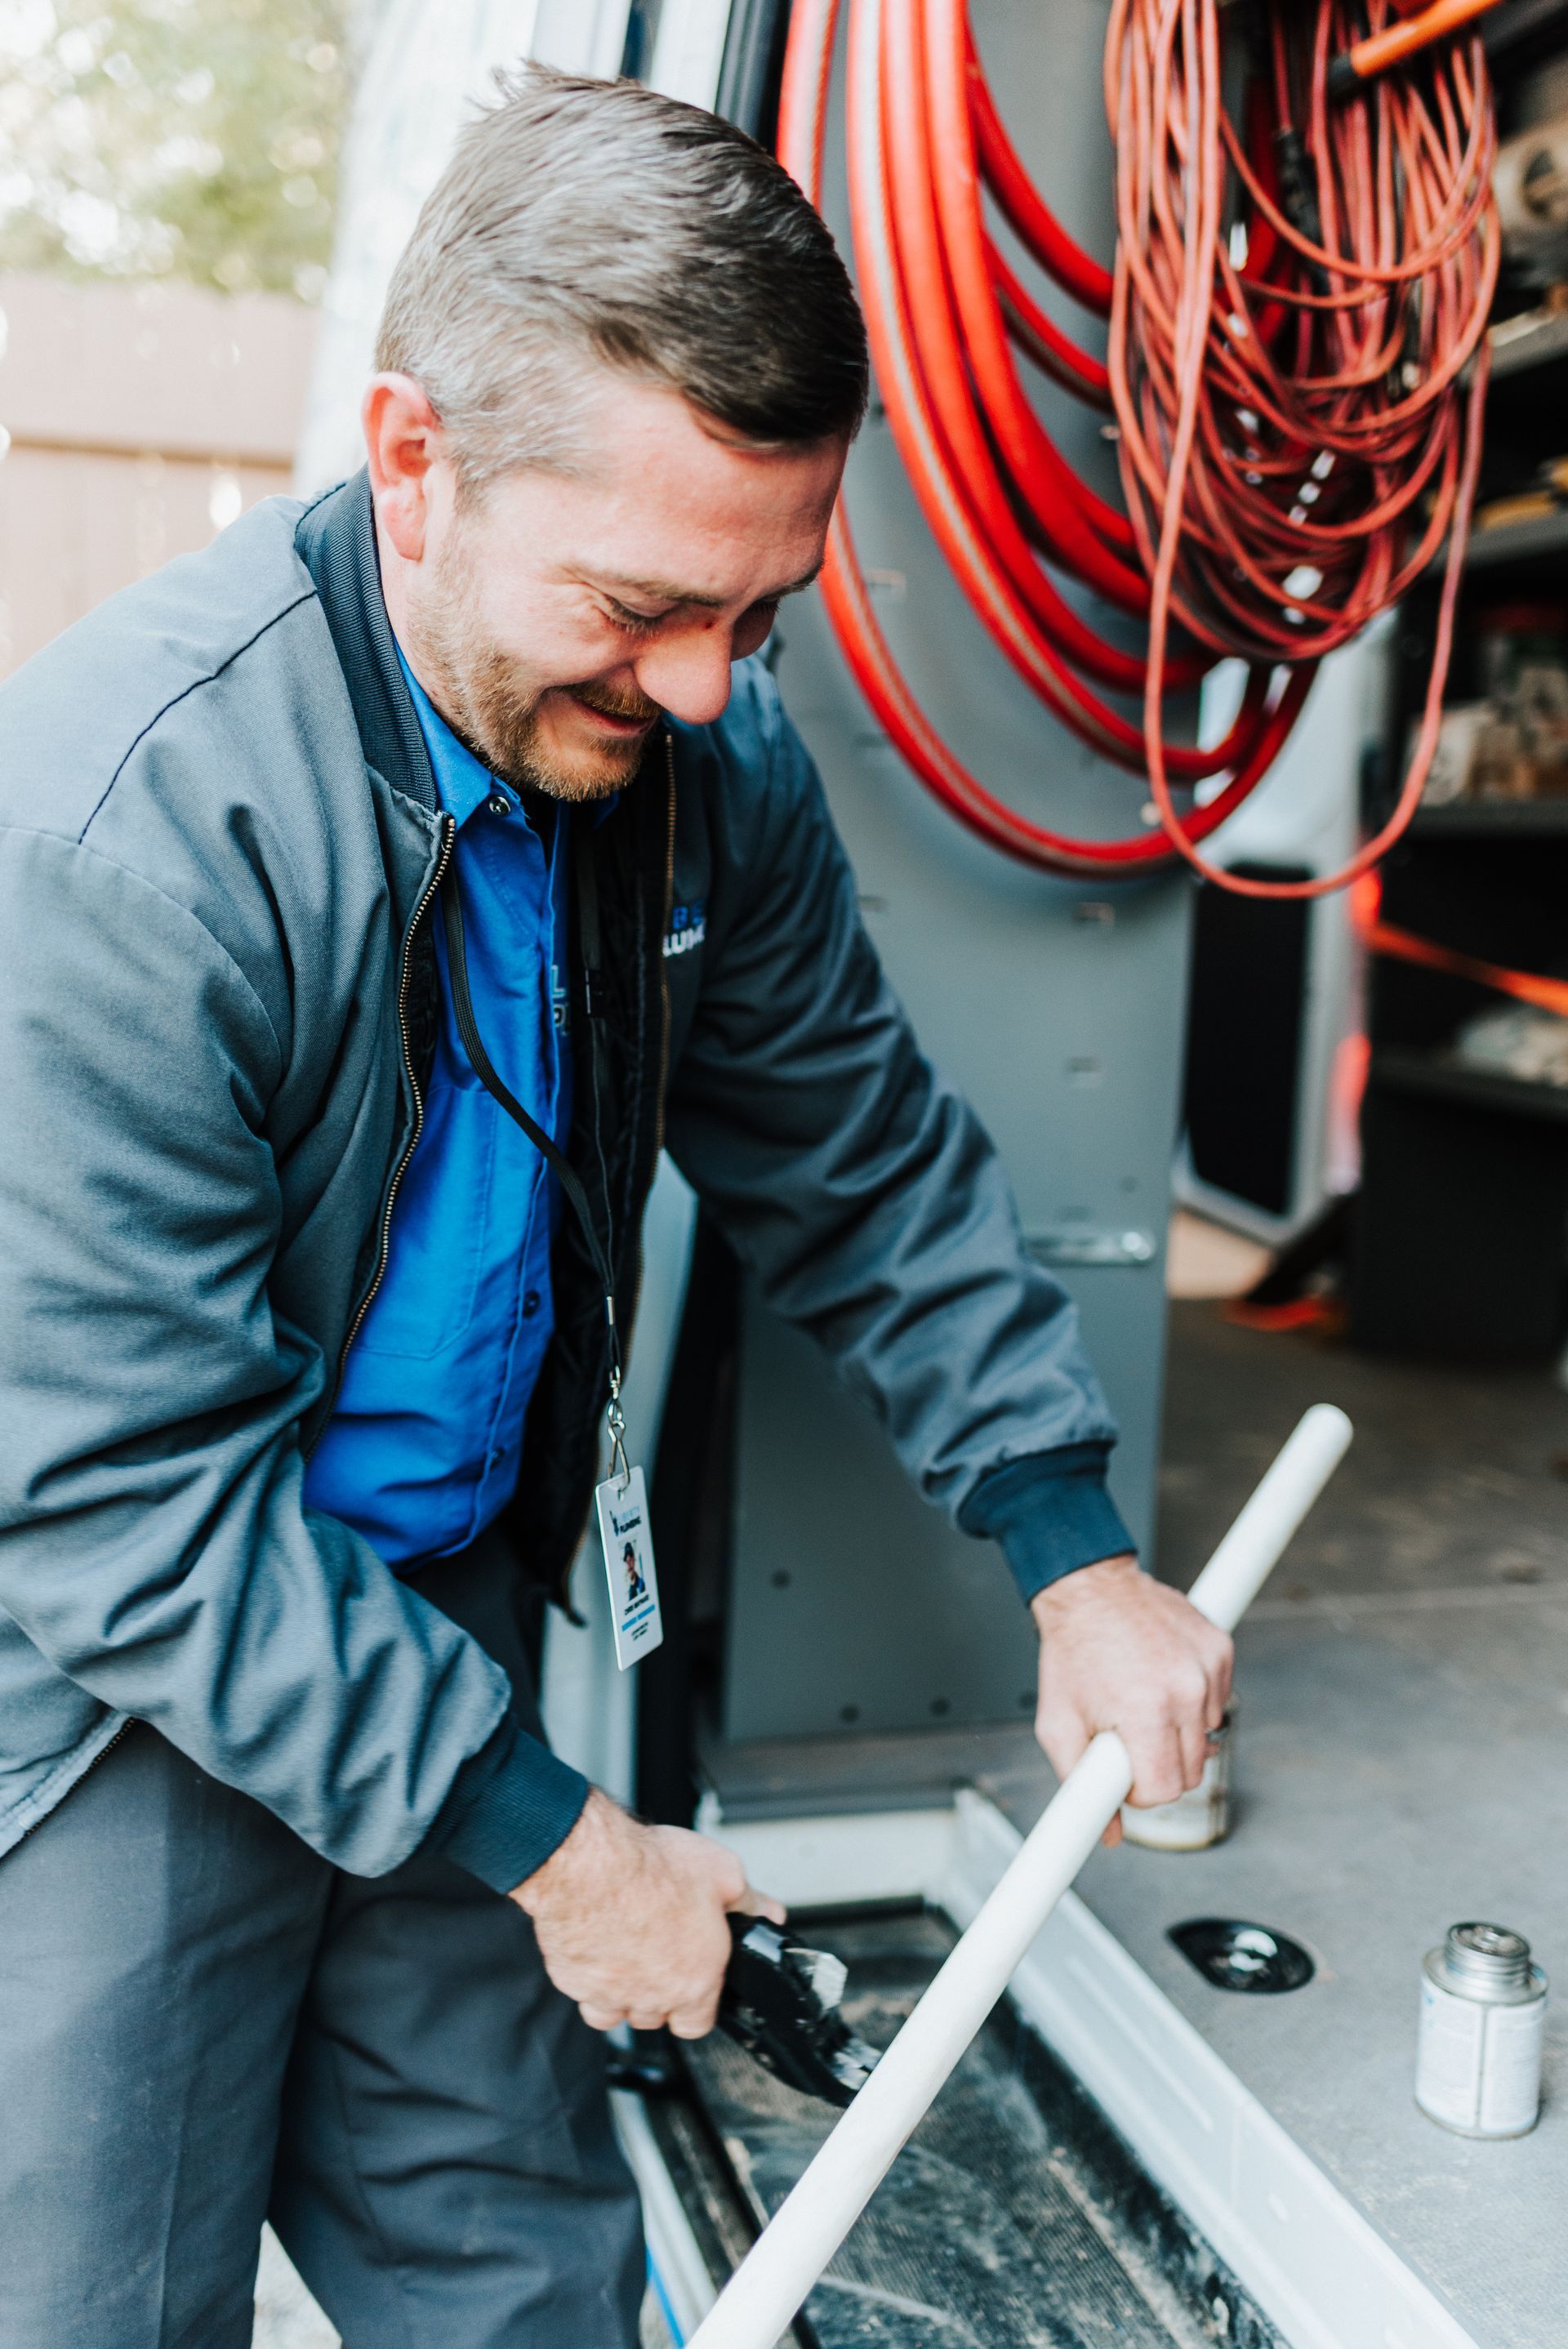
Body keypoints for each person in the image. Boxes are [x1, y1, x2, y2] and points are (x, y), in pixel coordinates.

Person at [0, 65, 1232, 2349]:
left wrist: (1079, 1557)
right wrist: (575, 1846)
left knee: (524, 2284)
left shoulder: (697, 763)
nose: (701, 688)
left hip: (444, 1623)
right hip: (124, 1689)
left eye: (757, 616)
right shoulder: (127, 840)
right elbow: (119, 1504)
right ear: (410, 462)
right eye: (647, 604)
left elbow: (851, 1147)